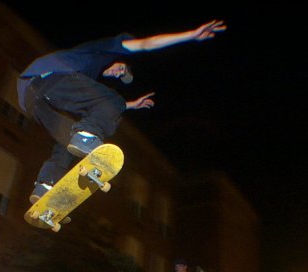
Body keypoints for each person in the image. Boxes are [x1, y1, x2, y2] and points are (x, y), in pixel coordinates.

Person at [17, 19, 227, 202]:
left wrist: (129, 105)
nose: (117, 72)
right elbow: (147, 44)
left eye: (120, 75)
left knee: (68, 139)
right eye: (121, 68)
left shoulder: (85, 76)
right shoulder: (107, 48)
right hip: (48, 77)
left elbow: (94, 102)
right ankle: (86, 137)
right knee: (111, 102)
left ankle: (44, 186)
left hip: (32, 98)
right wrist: (191, 35)